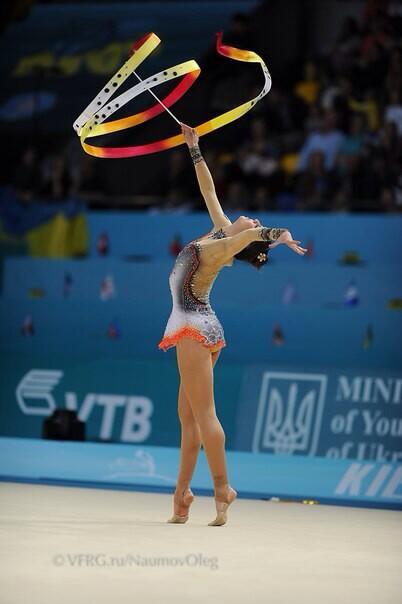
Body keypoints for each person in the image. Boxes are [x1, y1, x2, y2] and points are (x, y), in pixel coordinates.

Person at [158, 123, 306, 526]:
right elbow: (208, 189)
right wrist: (195, 148)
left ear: (246, 241)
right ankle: (182, 496)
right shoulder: (221, 230)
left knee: (204, 416)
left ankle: (222, 487)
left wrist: (279, 234)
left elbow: (256, 233)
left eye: (252, 222)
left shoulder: (224, 246)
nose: (250, 216)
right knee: (188, 419)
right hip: (200, 324)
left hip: (192, 326)